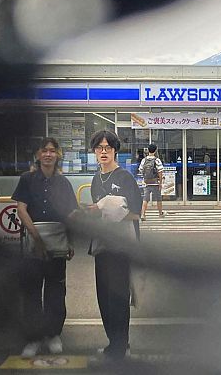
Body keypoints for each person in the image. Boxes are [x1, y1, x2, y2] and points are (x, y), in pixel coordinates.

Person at [11, 138, 79, 357]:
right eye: (44, 151)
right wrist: (37, 239)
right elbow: (21, 210)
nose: (48, 154)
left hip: (58, 243)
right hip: (33, 242)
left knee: (56, 292)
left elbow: (70, 214)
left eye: (52, 151)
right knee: (31, 292)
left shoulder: (64, 183)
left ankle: (52, 335)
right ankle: (32, 338)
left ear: (58, 155)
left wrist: (70, 241)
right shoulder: (27, 179)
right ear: (38, 155)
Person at [88, 130, 143, 361]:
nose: (103, 152)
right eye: (99, 148)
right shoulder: (95, 179)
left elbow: (136, 214)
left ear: (115, 151)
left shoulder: (125, 178)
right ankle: (114, 342)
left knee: (119, 298)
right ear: (94, 152)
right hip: (102, 246)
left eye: (107, 148)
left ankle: (121, 346)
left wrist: (108, 209)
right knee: (104, 298)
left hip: (122, 247)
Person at [139, 143, 165, 220]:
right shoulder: (157, 160)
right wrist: (160, 182)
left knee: (145, 199)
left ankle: (143, 214)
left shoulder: (144, 160)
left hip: (147, 182)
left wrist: (145, 177)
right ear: (155, 150)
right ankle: (160, 213)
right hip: (155, 182)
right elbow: (160, 171)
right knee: (158, 198)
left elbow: (140, 170)